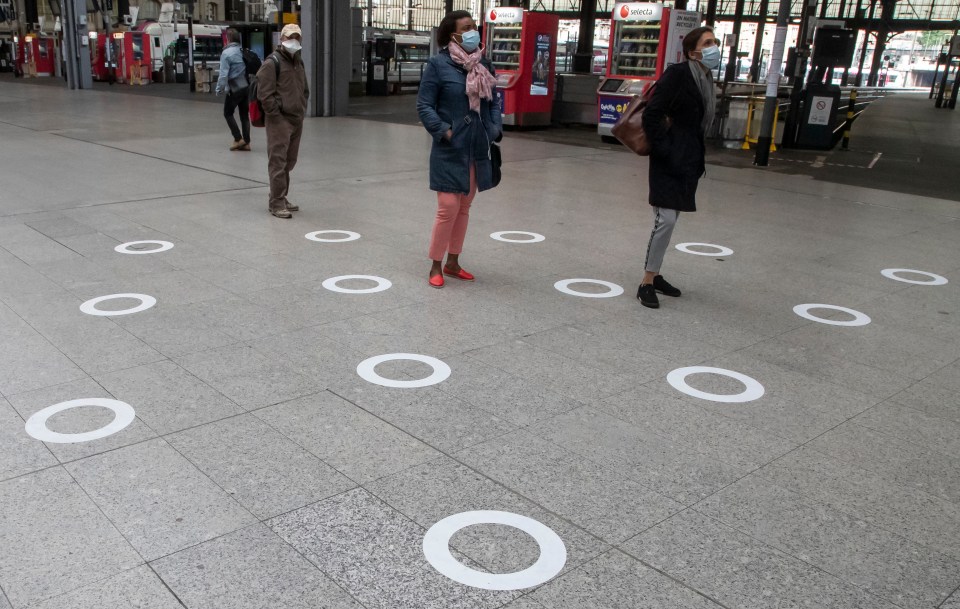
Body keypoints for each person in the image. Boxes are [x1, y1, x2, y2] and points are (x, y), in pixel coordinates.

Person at [417, 10, 502, 288]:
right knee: (448, 207)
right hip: (450, 146)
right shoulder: (438, 65)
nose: (472, 32)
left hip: (477, 146)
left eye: (474, 27)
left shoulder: (484, 64)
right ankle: (435, 265)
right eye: (466, 28)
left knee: (464, 206)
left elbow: (493, 103)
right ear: (452, 34)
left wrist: (493, 129)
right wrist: (444, 130)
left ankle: (453, 262)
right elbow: (424, 105)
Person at [637, 26, 719, 309]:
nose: (714, 47)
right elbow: (652, 113)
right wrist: (665, 149)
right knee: (665, 219)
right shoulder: (678, 74)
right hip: (669, 157)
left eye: (715, 42)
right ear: (692, 50)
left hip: (689, 158)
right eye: (708, 42)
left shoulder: (705, 78)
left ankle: (655, 274)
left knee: (671, 219)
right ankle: (646, 282)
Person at [257, 23, 309, 219]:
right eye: (289, 37)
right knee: (278, 160)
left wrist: (302, 107)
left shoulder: (298, 62)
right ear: (282, 39)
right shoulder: (272, 63)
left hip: (296, 118)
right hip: (279, 120)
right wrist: (276, 114)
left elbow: (304, 88)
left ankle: (281, 196)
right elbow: (265, 94)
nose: (293, 41)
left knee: (289, 160)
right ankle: (276, 202)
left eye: (296, 37)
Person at [215, 28, 251, 151]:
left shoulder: (226, 53)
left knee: (228, 113)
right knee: (244, 115)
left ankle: (238, 138)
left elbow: (223, 74)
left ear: (228, 39)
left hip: (234, 87)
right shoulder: (242, 51)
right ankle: (246, 142)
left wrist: (219, 89)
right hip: (245, 86)